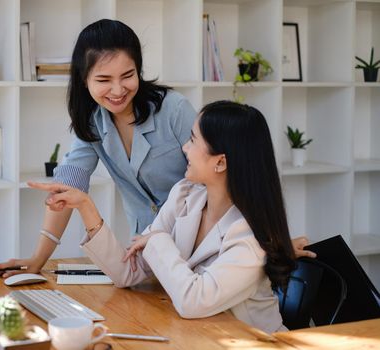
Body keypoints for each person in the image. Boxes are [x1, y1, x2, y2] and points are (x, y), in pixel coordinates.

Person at [0, 19, 313, 278]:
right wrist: (36, 261)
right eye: (103, 79)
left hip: (205, 246)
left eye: (128, 75)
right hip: (147, 252)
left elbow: (228, 169)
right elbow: (68, 189)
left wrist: (271, 241)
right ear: (84, 80)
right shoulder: (91, 122)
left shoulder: (173, 109)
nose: (118, 90)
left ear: (139, 71)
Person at [28, 101, 296, 333]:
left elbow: (193, 301)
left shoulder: (248, 236)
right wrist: (86, 207)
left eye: (193, 140)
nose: (184, 148)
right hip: (198, 336)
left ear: (221, 162)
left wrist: (157, 240)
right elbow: (128, 272)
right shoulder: (184, 195)